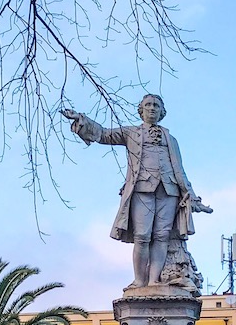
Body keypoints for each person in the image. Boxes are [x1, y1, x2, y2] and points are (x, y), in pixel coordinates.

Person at [61, 95, 211, 290]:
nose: (152, 108)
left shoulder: (171, 139)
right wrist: (81, 120)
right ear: (141, 110)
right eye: (148, 105)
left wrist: (193, 197)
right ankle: (140, 281)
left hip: (169, 190)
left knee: (162, 236)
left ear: (162, 111)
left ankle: (154, 280)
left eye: (156, 105)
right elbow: (104, 134)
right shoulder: (131, 133)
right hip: (141, 188)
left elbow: (179, 169)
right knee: (142, 236)